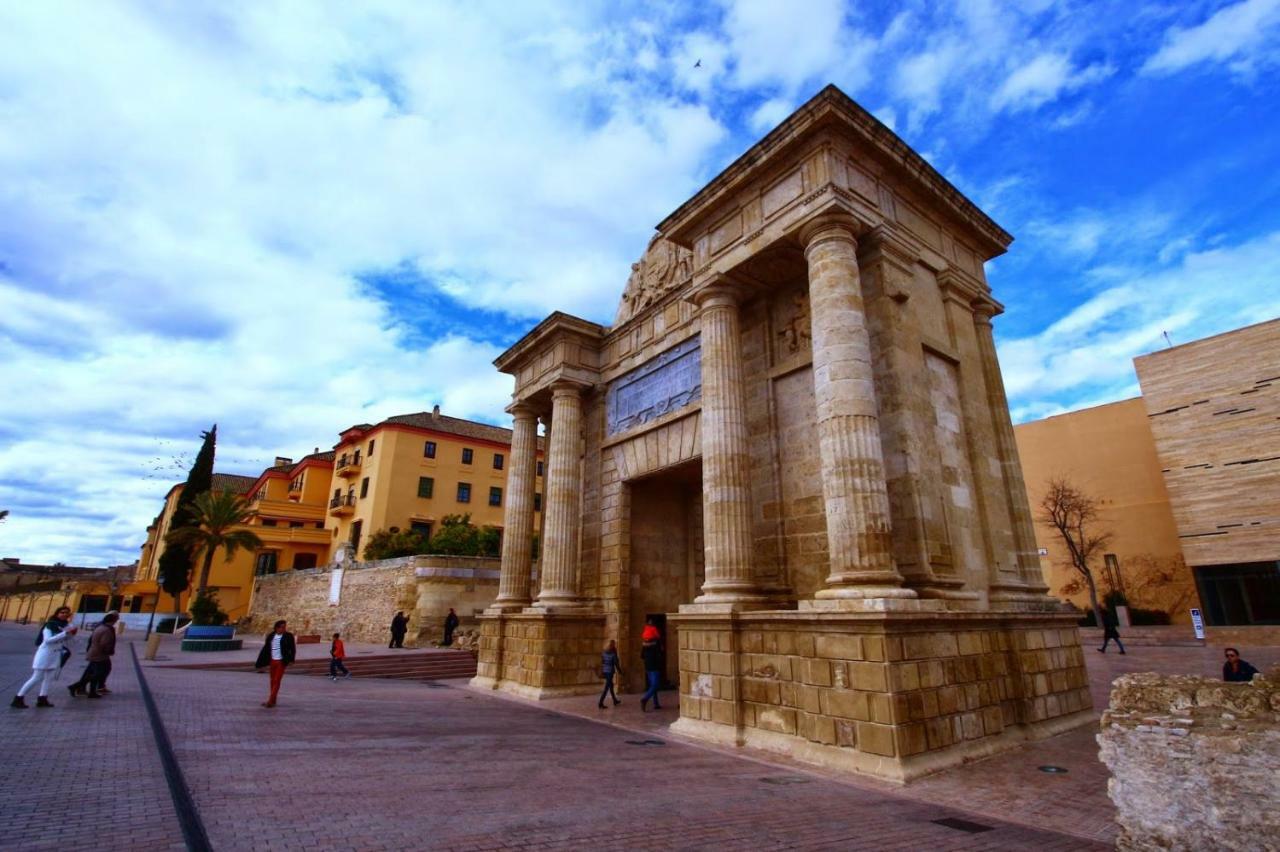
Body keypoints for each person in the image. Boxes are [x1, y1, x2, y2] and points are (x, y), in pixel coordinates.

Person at [11, 606, 78, 708]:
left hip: (55, 654)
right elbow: (47, 640)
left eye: (66, 613)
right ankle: (18, 698)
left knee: (48, 678)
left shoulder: (66, 625)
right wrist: (65, 633)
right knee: (36, 677)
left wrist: (71, 633)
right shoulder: (50, 625)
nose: (64, 614)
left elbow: (68, 639)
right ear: (57, 613)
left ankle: (42, 698)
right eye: (62, 612)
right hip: (45, 653)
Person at [69, 611, 118, 699]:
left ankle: (91, 691)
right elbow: (105, 643)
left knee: (93, 672)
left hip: (94, 652)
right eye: (116, 618)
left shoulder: (100, 627)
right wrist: (109, 651)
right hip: (100, 654)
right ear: (113, 620)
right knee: (100, 673)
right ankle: (77, 686)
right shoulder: (107, 629)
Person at [255, 620, 296, 707]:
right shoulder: (271, 636)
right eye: (282, 627)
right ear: (277, 628)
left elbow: (292, 648)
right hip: (272, 660)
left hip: (281, 661)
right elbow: (266, 648)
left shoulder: (288, 636)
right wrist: (260, 662)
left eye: (285, 627)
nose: (284, 629)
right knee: (272, 680)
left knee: (277, 680)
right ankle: (273, 700)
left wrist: (292, 659)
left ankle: (270, 701)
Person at [598, 640, 622, 709]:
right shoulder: (613, 654)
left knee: (611, 686)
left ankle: (615, 700)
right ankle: (600, 703)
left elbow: (602, 662)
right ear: (612, 646)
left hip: (605, 671)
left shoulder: (604, 653)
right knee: (606, 688)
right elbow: (616, 664)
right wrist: (620, 671)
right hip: (610, 672)